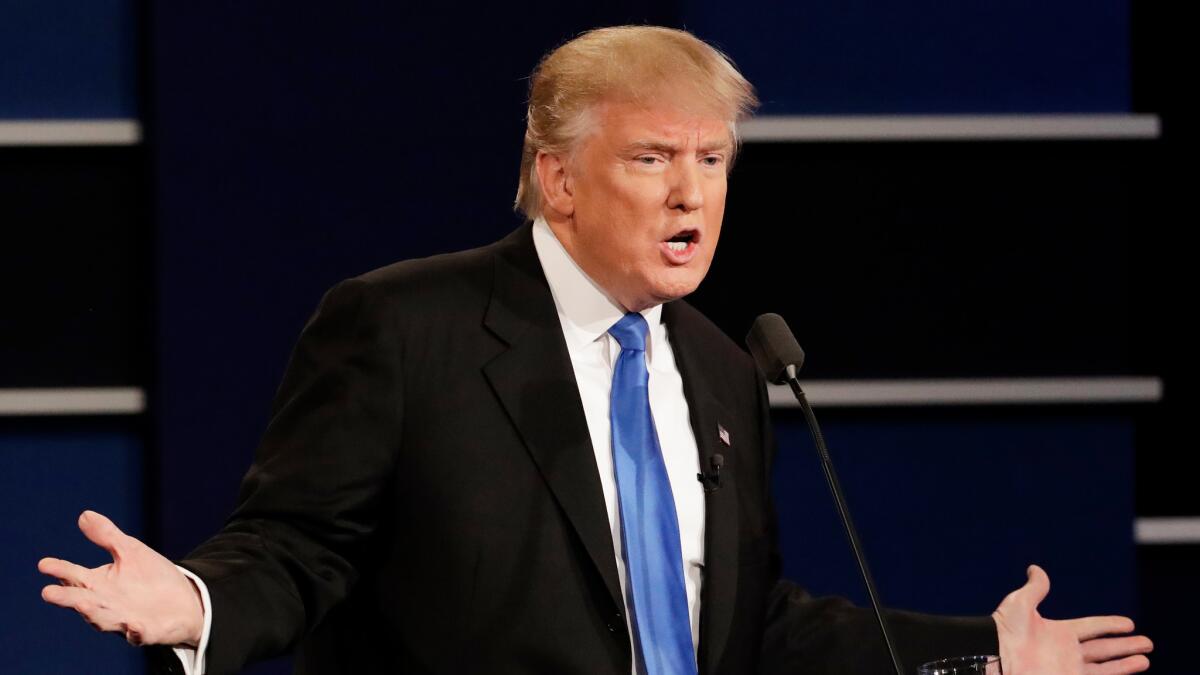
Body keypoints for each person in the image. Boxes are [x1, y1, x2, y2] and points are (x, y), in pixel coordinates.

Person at [39, 26, 1153, 675]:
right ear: (558, 178)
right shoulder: (404, 326)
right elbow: (300, 546)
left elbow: (750, 625)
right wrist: (198, 601)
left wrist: (984, 651)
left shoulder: (722, 365)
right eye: (654, 157)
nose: (692, 193)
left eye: (713, 161)